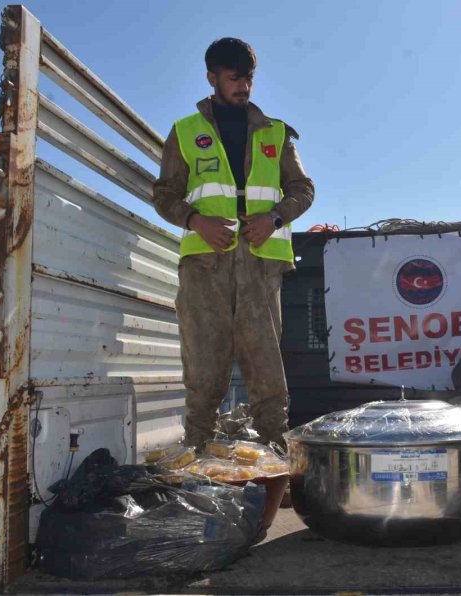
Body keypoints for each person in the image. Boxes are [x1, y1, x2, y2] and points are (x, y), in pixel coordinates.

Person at [152, 37, 314, 449]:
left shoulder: (275, 133)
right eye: (234, 78)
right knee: (204, 365)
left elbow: (303, 189)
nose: (244, 86)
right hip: (206, 266)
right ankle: (199, 458)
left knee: (265, 367)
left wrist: (274, 217)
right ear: (212, 78)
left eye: (249, 78)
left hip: (261, 266)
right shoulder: (185, 132)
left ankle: (276, 459)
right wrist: (194, 220)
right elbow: (165, 194)